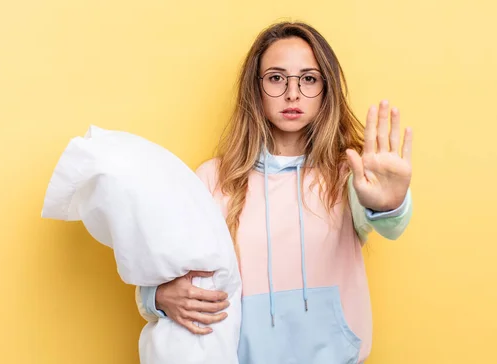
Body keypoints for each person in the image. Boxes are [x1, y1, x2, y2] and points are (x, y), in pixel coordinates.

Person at [135, 21, 413, 364]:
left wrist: (389, 205)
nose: (292, 93)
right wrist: (155, 298)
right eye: (276, 78)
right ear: (256, 88)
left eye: (308, 79)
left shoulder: (348, 173)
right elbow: (166, 272)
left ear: (326, 90)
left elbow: (391, 225)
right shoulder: (212, 178)